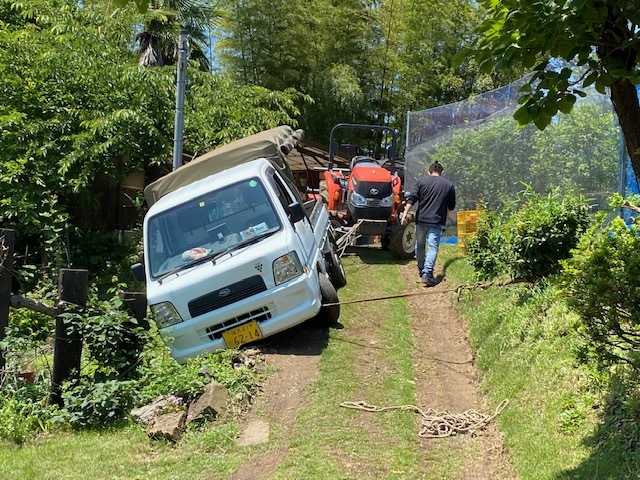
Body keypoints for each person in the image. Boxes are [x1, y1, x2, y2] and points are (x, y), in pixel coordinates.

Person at [400, 161, 456, 286]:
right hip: (436, 221)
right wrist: (446, 218)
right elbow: (451, 206)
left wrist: (405, 214)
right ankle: (427, 273)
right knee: (432, 247)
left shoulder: (421, 182)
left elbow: (412, 198)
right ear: (442, 173)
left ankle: (421, 270)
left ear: (428, 172)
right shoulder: (448, 185)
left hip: (421, 220)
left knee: (419, 245)